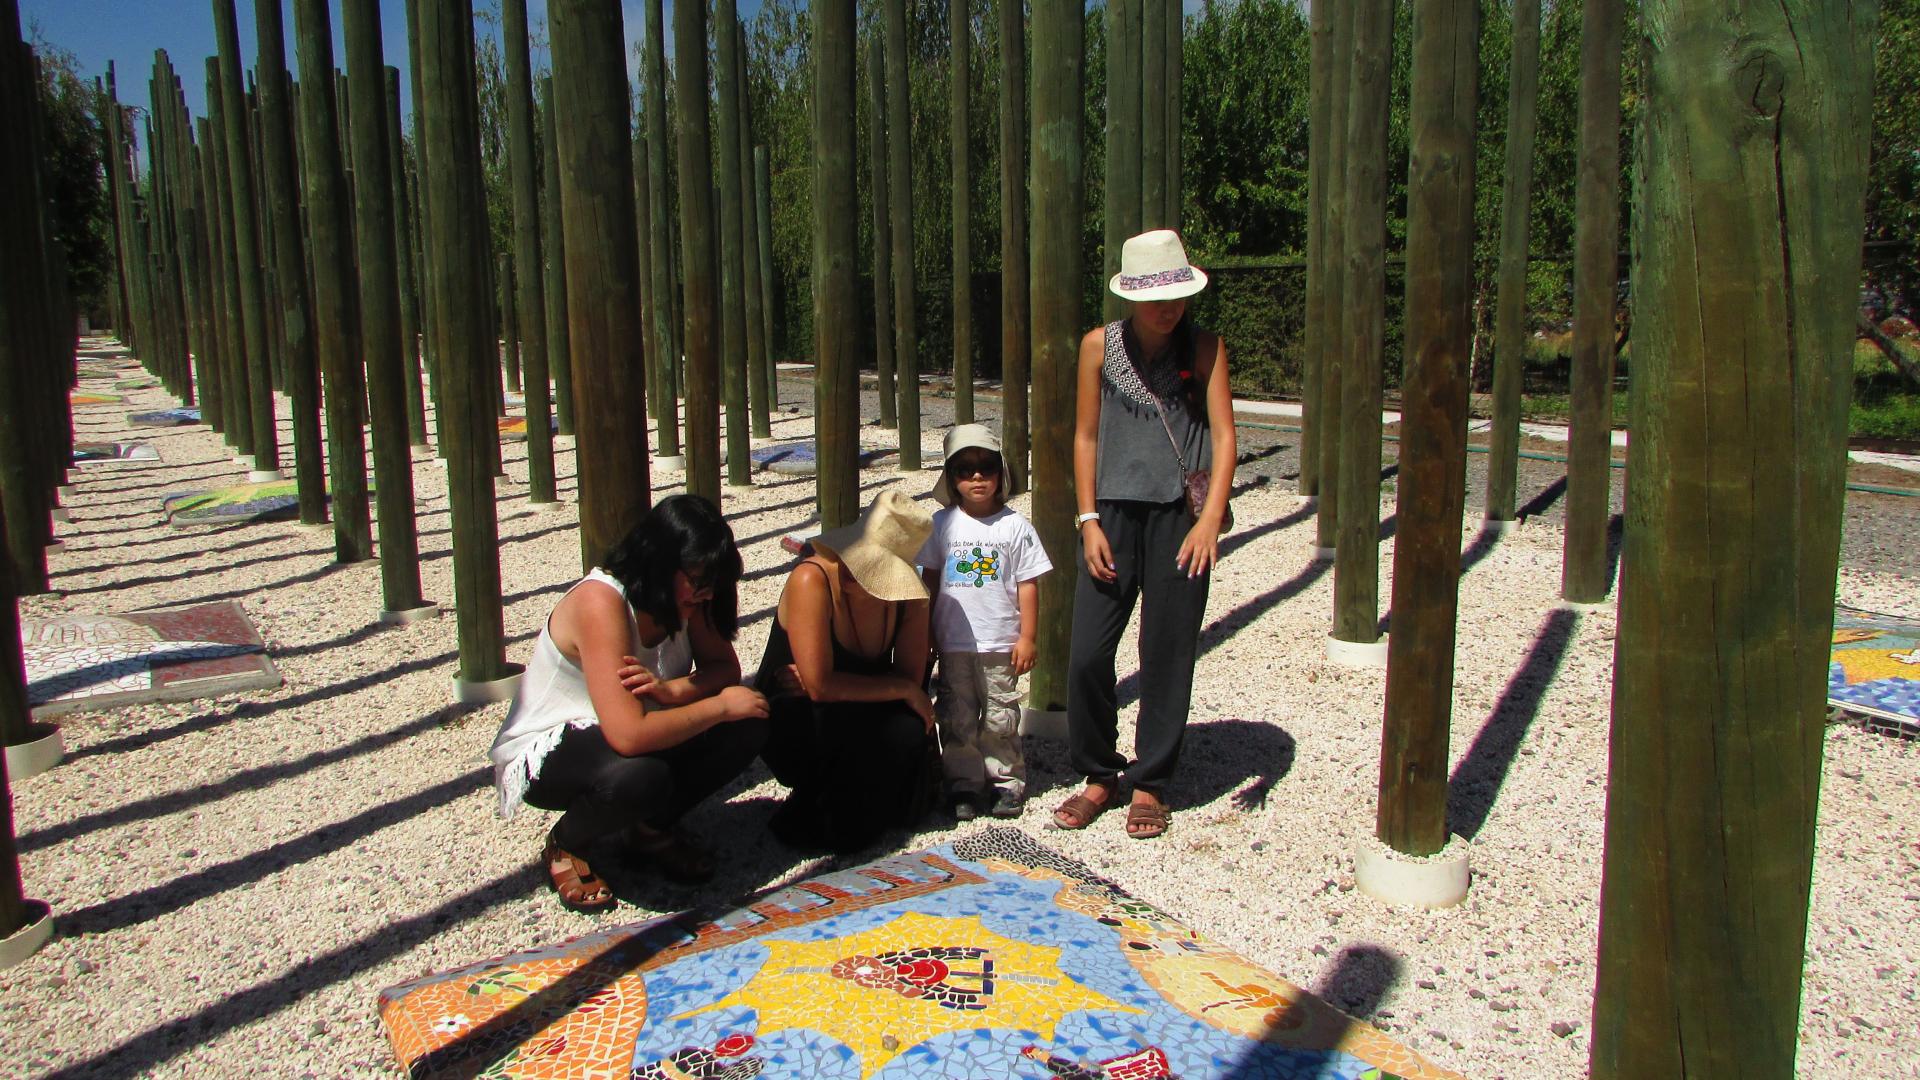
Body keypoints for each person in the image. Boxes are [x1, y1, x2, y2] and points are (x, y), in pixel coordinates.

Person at [489, 494, 770, 912]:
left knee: (753, 717)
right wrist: (718, 707)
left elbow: (723, 669)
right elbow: (629, 735)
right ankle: (567, 843)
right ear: (661, 563)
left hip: (635, 727)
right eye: (696, 579)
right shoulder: (602, 602)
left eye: (712, 582)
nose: (705, 592)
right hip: (554, 745)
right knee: (641, 775)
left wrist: (672, 691)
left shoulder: (693, 598)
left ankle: (648, 830)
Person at [1053, 229, 1237, 840]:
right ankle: (1100, 773)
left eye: (1178, 292)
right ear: (1130, 294)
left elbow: (1225, 436)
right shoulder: (1097, 347)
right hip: (1111, 515)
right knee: (1086, 652)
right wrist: (1086, 520)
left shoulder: (1206, 347)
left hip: (1179, 521)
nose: (1169, 306)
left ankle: (1152, 780)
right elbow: (1083, 436)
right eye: (1156, 294)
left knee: (1167, 650)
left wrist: (1210, 520)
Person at [757, 489, 937, 853]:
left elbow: (910, 679)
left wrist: (900, 690)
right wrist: (900, 690)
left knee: (909, 728)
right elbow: (822, 687)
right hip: (797, 710)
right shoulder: (812, 580)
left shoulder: (911, 599)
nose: (855, 572)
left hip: (856, 704)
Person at [916, 424, 1052, 821]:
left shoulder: (1015, 527)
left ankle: (1005, 781)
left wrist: (1027, 636)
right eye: (964, 468)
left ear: (1001, 473)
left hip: (999, 642)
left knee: (999, 716)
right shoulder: (941, 524)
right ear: (951, 477)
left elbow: (1028, 585)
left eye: (986, 467)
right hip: (953, 642)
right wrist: (925, 632)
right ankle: (964, 783)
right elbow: (930, 579)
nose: (977, 476)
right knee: (957, 716)